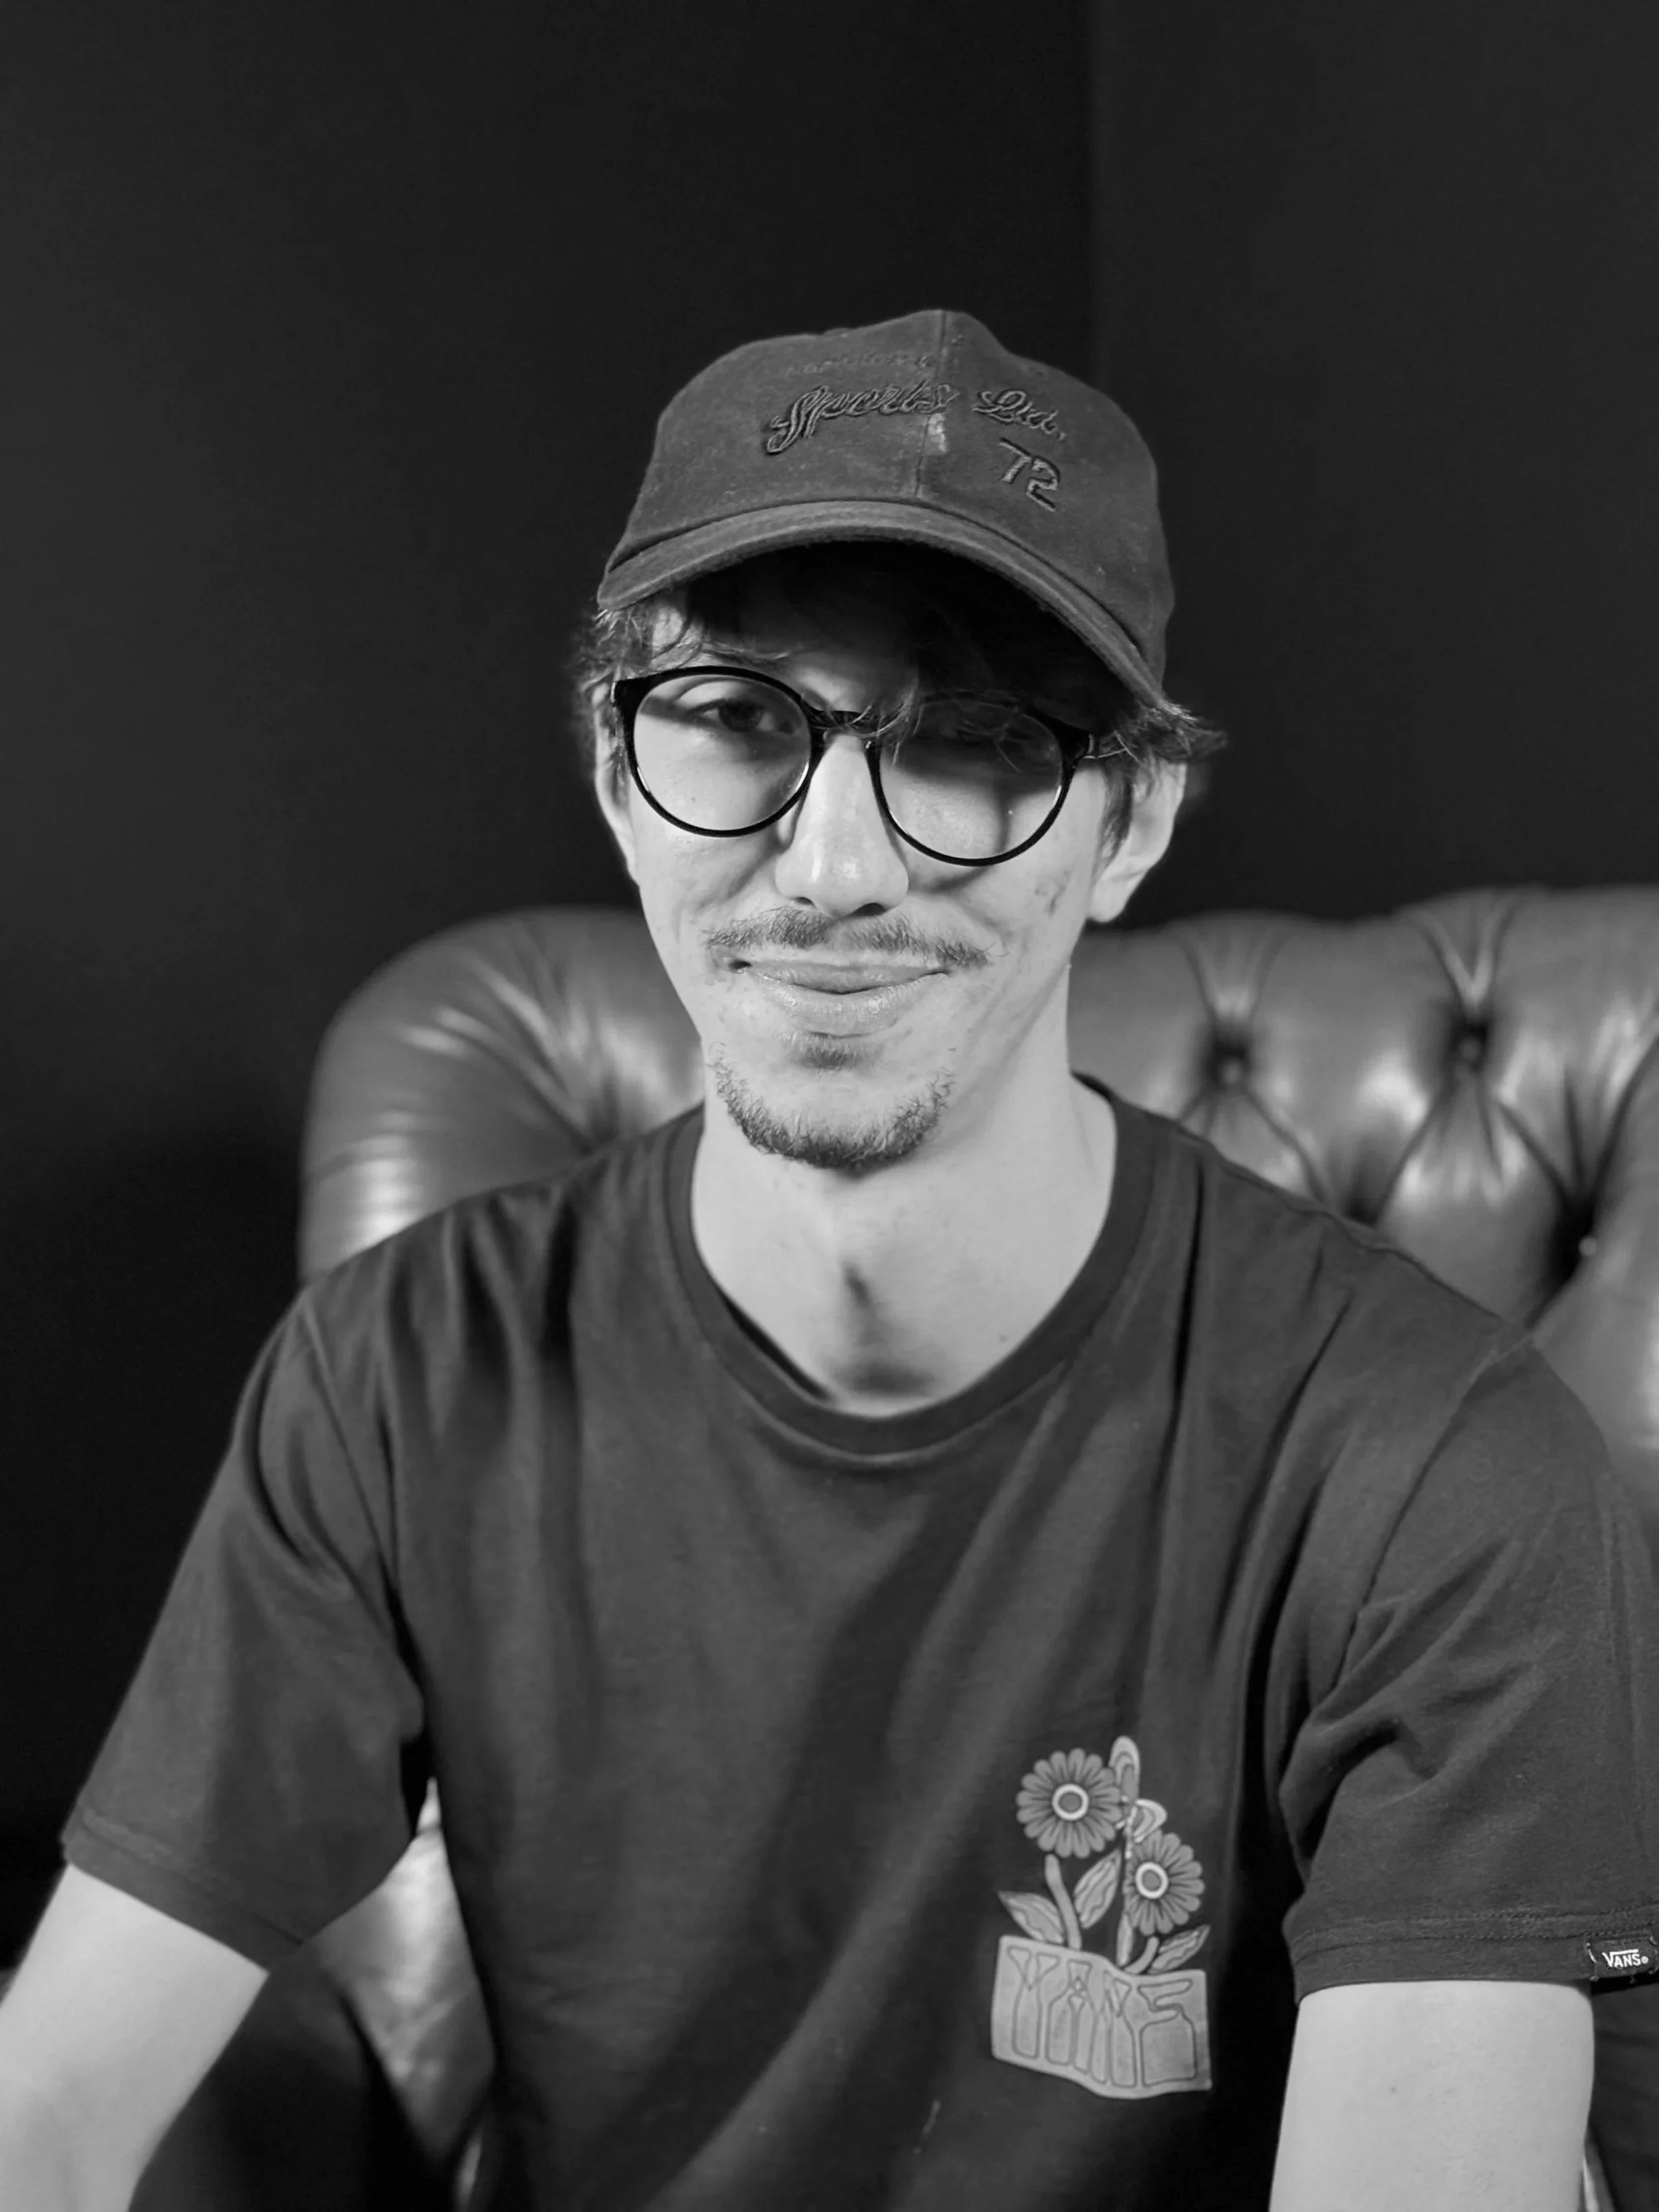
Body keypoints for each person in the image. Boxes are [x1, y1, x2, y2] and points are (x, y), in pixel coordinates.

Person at [1, 307, 1656, 2211]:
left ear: (1126, 824)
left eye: (973, 743)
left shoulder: (1437, 1464)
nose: (834, 868)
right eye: (734, 719)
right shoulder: (402, 1373)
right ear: (617, 776)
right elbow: (51, 2103)